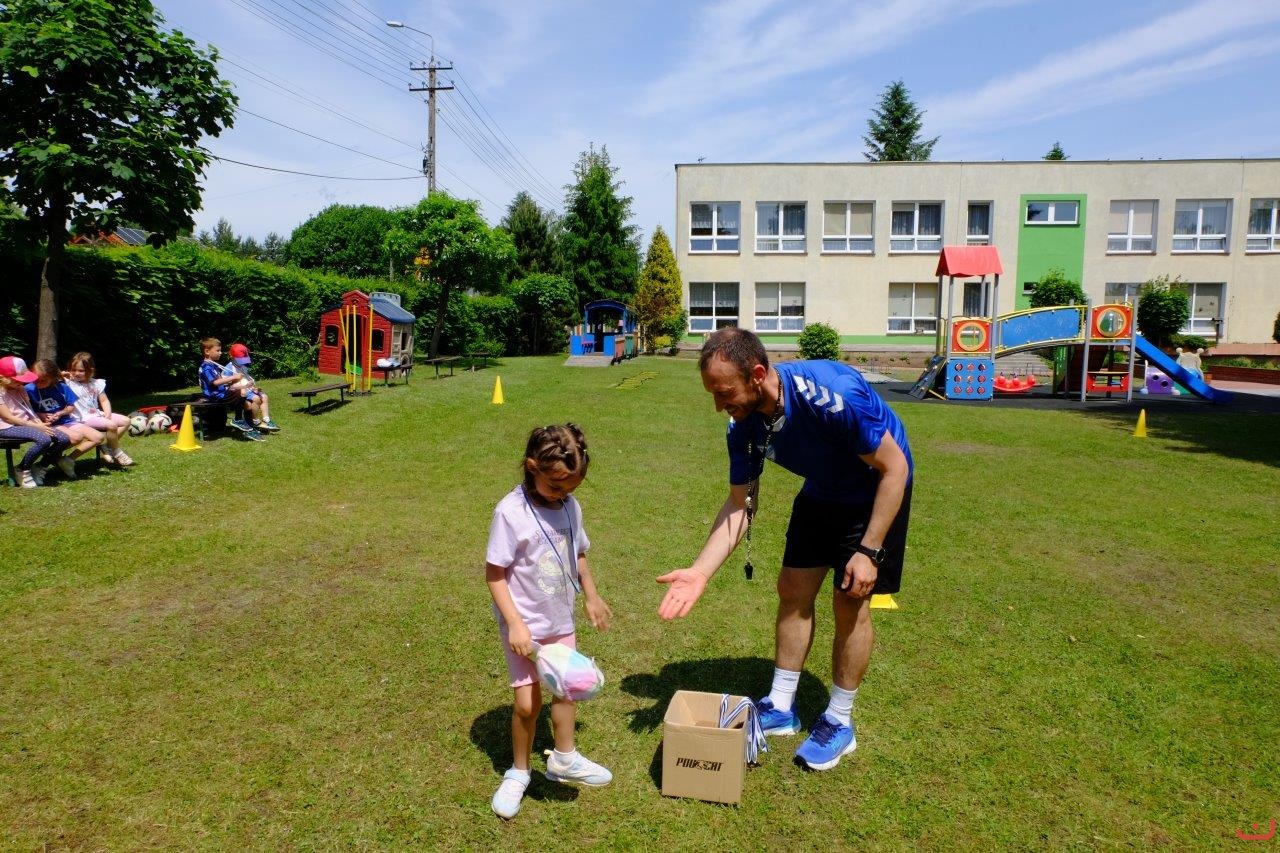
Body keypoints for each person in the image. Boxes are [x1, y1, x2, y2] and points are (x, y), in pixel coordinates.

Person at [657, 328, 913, 772]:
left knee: (850, 599)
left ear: (757, 375)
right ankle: (780, 704)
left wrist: (869, 551)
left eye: (725, 393)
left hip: (875, 489)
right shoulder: (743, 425)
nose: (718, 406)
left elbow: (895, 468)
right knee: (793, 589)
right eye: (713, 395)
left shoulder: (832, 397)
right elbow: (740, 504)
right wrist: (700, 571)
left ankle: (839, 719)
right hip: (823, 489)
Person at [485, 424, 614, 819]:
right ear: (532, 467)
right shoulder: (510, 513)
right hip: (524, 627)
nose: (563, 494)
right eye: (556, 486)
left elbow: (578, 554)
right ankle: (519, 771)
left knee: (568, 689)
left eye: (571, 488)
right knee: (527, 705)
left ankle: (564, 758)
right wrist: (515, 623)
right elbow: (494, 573)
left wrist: (591, 594)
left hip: (560, 619)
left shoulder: (570, 506)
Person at [26, 358, 105, 480]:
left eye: (43, 380)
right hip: (47, 424)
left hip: (65, 421)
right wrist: (41, 415)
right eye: (36, 379)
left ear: (52, 377)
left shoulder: (61, 387)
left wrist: (60, 413)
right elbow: (26, 410)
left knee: (98, 437)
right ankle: (42, 465)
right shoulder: (29, 389)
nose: (38, 383)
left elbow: (70, 407)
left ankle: (66, 460)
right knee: (76, 437)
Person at [0, 355, 72, 488]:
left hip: (26, 423)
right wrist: (36, 426)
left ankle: (40, 466)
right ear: (5, 379)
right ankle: (22, 469)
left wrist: (39, 423)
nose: (22, 383)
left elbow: (29, 410)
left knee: (64, 439)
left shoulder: (20, 389)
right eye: (18, 380)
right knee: (43, 439)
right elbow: (9, 418)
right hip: (6, 426)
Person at [63, 352, 134, 467]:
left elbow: (104, 401)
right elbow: (52, 375)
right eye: (73, 370)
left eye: (81, 371)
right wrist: (63, 374)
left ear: (90, 370)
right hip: (83, 418)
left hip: (97, 415)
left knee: (126, 421)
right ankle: (117, 452)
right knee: (112, 426)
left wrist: (108, 414)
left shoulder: (96, 383)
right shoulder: (69, 383)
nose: (76, 373)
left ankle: (107, 446)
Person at [198, 337, 263, 441]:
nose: (220, 353)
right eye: (218, 350)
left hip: (221, 393)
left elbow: (221, 382)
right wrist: (233, 377)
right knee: (242, 392)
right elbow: (215, 383)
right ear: (207, 351)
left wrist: (233, 381)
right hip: (215, 396)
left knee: (248, 402)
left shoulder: (213, 365)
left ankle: (250, 428)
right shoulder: (206, 367)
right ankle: (238, 419)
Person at [222, 343, 280, 433]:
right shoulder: (228, 369)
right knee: (256, 398)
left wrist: (253, 387)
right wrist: (244, 386)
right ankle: (256, 422)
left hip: (248, 389)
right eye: (240, 359)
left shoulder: (243, 367)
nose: (242, 361)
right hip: (238, 392)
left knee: (264, 396)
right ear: (232, 357)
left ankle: (266, 420)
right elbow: (226, 386)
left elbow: (246, 379)